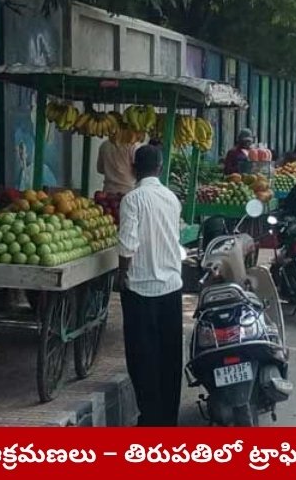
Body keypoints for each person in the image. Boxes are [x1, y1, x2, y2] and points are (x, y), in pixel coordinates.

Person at [117, 145, 184, 426]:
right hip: (171, 286)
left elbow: (127, 244)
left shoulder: (132, 200)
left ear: (134, 167)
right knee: (169, 355)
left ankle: (150, 418)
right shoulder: (171, 198)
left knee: (142, 357)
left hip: (140, 289)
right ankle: (168, 419)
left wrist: (122, 275)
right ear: (159, 167)